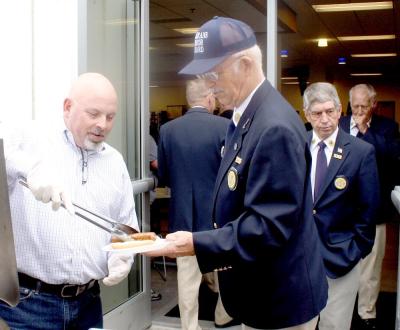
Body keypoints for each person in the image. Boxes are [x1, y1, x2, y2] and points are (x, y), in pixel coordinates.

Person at [147, 16, 328, 330]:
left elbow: (268, 226)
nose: (209, 84)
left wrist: (195, 243)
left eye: (214, 73)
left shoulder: (273, 127)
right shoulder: (244, 117)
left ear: (245, 64)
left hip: (279, 301)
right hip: (258, 292)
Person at [0, 72, 139, 329]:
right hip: (29, 306)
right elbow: (3, 153)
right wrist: (29, 169)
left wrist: (123, 254)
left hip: (89, 303)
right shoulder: (32, 139)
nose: (103, 125)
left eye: (110, 117)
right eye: (94, 114)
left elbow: (124, 223)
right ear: (68, 107)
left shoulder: (115, 161)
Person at [157, 78, 234, 329]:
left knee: (187, 274)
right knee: (224, 269)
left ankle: (189, 326)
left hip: (183, 214)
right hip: (217, 215)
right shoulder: (225, 126)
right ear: (209, 98)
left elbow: (165, 176)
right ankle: (223, 315)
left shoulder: (168, 130)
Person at [303, 82, 379, 330]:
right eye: (317, 113)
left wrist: (355, 250)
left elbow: (368, 211)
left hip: (341, 260)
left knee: (334, 326)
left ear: (339, 111)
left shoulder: (360, 152)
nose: (325, 119)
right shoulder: (296, 147)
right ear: (307, 115)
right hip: (300, 260)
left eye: (330, 111)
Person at [339, 83, 400, 330]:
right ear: (349, 104)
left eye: (365, 106)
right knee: (341, 265)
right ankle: (340, 310)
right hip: (341, 212)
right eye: (355, 106)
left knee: (371, 267)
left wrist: (365, 130)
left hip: (374, 210)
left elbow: (392, 159)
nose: (360, 110)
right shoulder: (340, 124)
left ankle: (366, 313)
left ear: (373, 105)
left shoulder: (387, 128)